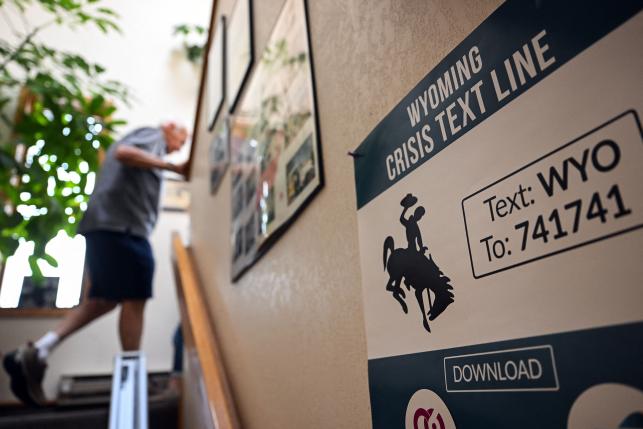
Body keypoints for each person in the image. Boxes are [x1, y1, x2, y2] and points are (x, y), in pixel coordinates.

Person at [2, 122, 188, 406]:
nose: (179, 148)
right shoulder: (154, 136)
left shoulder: (152, 144)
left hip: (104, 226)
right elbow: (124, 153)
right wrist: (173, 167)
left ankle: (38, 351)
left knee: (103, 300)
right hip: (123, 228)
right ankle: (131, 378)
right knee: (134, 298)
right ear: (170, 128)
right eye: (181, 140)